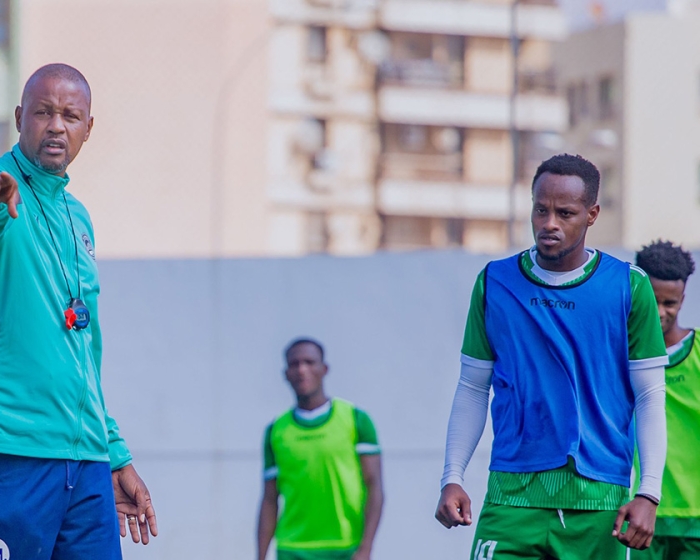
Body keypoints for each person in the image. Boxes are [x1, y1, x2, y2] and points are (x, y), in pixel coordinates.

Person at [0, 63, 157, 560]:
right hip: (3, 448)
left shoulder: (78, 217)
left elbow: (84, 352)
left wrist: (113, 452)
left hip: (82, 460)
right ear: (19, 117)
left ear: (88, 128)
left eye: (71, 115)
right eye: (43, 112)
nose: (57, 125)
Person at [434, 153, 669, 559]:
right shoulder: (495, 282)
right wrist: (451, 477)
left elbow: (649, 395)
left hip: (598, 502)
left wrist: (648, 491)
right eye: (541, 210)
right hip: (511, 495)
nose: (549, 224)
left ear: (592, 214)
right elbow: (473, 386)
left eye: (565, 213)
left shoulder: (629, 287)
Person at [257, 338, 384, 560]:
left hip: (346, 547)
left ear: (324, 369)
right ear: (286, 373)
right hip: (292, 549)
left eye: (309, 362)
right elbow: (269, 499)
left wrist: (366, 548)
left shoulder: (356, 420)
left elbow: (375, 487)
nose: (302, 369)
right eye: (294, 364)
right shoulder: (276, 431)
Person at [633, 240, 700, 559]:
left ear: (683, 298)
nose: (659, 312)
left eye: (669, 303)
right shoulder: (616, 354)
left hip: (694, 521)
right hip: (636, 512)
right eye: (651, 300)